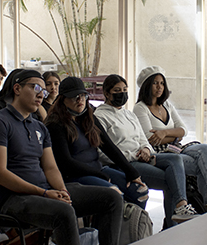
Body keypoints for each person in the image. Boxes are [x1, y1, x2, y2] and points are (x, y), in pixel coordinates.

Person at [0, 69, 122, 245]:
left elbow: (51, 168)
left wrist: (61, 191)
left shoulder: (39, 127)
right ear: (17, 88)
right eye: (35, 87)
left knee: (111, 198)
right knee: (63, 211)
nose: (41, 94)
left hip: (45, 191)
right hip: (15, 199)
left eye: (44, 91)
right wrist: (44, 193)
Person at [94, 74, 197, 228]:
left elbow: (143, 138)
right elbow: (102, 152)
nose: (122, 93)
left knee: (175, 160)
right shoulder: (100, 117)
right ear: (107, 93)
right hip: (127, 163)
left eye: (124, 89)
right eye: (117, 90)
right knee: (171, 179)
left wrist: (146, 149)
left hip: (144, 157)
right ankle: (172, 225)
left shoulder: (128, 114)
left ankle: (180, 207)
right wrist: (133, 155)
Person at [134, 66, 207, 210]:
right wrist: (173, 135)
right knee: (202, 164)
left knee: (205, 148)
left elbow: (183, 130)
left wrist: (164, 133)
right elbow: (149, 139)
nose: (160, 87)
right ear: (146, 85)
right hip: (160, 154)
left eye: (162, 83)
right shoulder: (140, 108)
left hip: (177, 148)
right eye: (155, 83)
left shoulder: (166, 105)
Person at [45, 76, 149, 205]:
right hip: (75, 176)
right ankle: (106, 224)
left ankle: (133, 224)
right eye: (74, 97)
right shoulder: (56, 125)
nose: (80, 100)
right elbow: (66, 163)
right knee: (114, 194)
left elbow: (109, 147)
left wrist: (131, 172)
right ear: (62, 100)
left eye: (83, 96)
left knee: (140, 190)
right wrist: (99, 175)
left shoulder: (88, 118)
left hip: (97, 170)